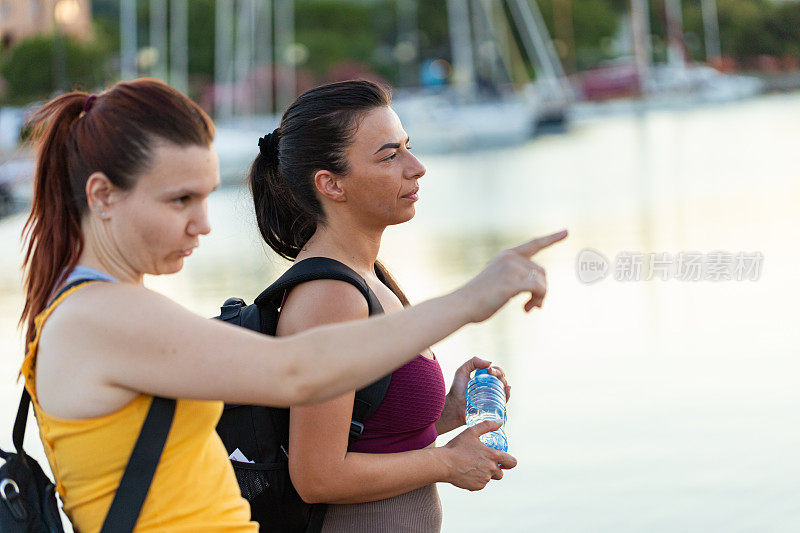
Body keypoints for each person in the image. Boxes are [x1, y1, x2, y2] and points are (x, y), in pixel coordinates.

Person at [18, 77, 566, 532]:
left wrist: (432, 412)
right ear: (102, 197)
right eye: (179, 199)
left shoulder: (103, 310)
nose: (202, 224)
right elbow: (300, 373)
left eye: (206, 197)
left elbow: (307, 395)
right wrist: (471, 299)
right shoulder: (100, 316)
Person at [246, 79, 566, 531]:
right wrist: (446, 464)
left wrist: (448, 413)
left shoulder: (370, 277)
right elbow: (317, 476)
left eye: (408, 148)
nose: (416, 168)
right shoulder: (329, 295)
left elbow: (370, 439)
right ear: (331, 184)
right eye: (389, 155)